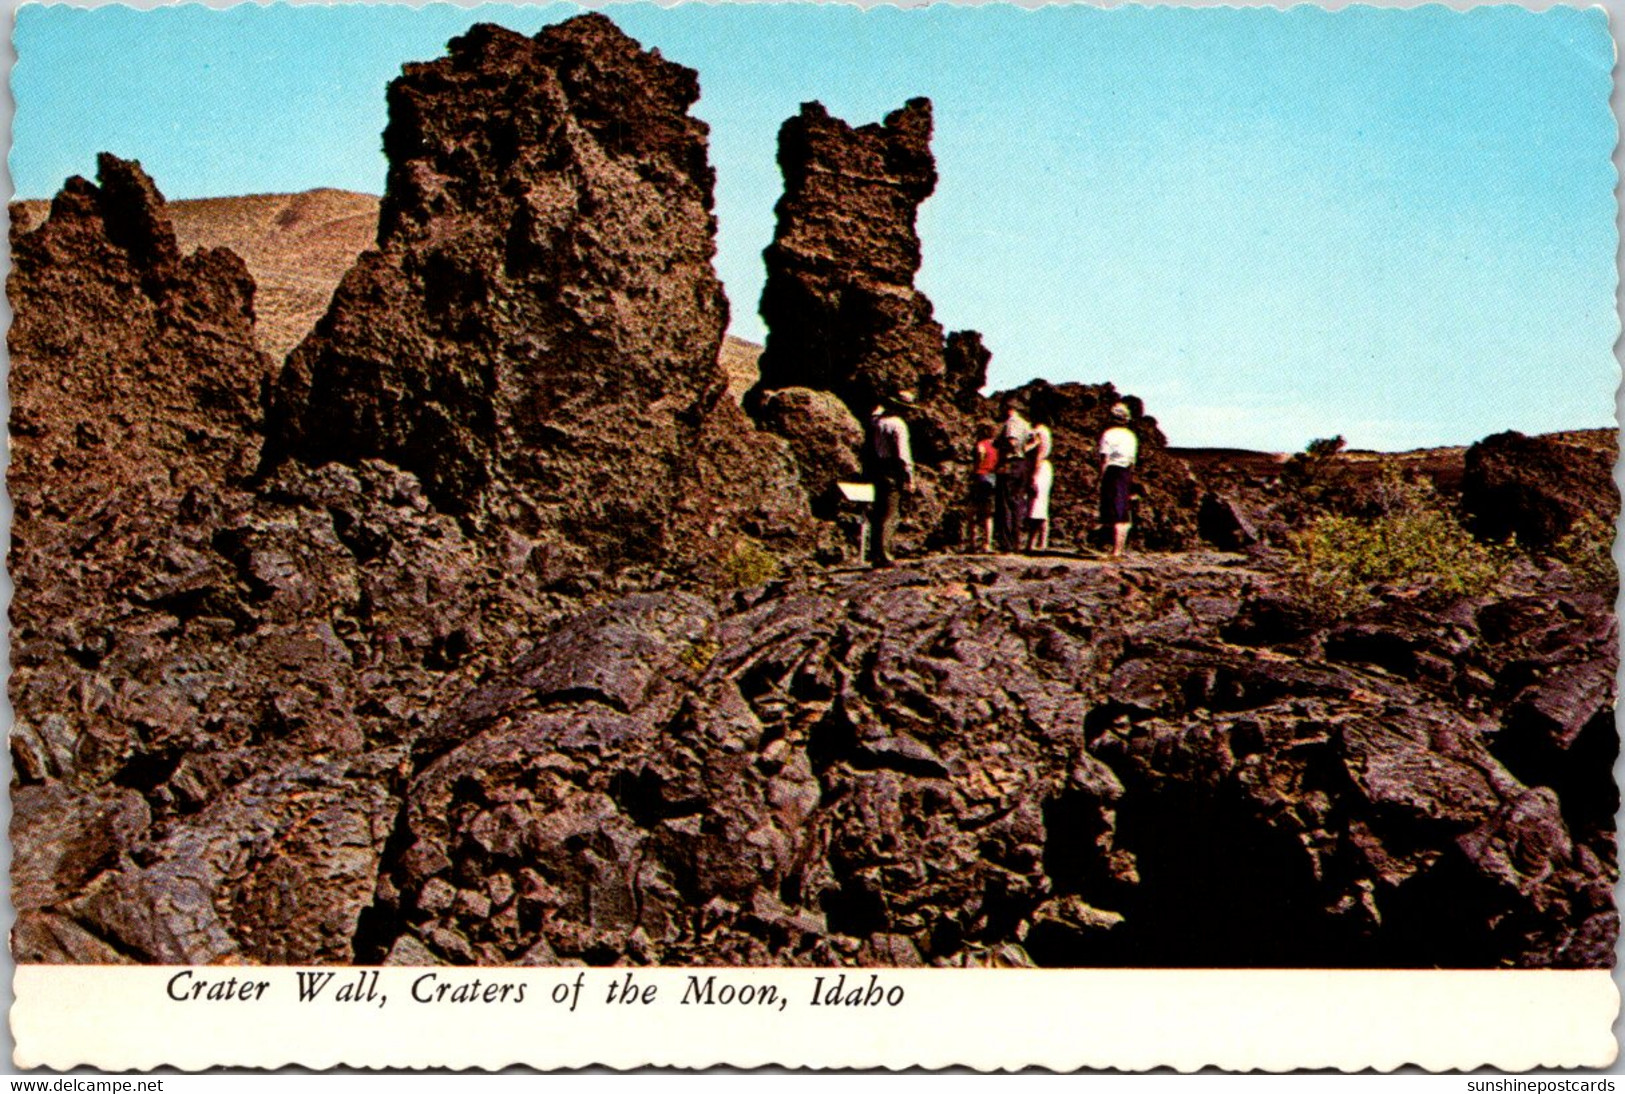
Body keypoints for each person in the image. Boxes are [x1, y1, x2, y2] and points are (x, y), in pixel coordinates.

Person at [863, 392, 915, 568]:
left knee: (878, 512)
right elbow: (903, 454)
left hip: (877, 467)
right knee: (890, 512)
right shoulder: (898, 425)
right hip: (893, 469)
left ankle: (875, 552)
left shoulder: (878, 422)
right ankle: (884, 555)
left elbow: (873, 417)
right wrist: (909, 476)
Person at [1099, 401, 1139, 558]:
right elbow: (1132, 461)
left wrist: (1101, 478)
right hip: (1126, 472)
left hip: (1113, 471)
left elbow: (1105, 458)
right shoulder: (1131, 436)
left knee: (1115, 512)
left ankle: (1115, 551)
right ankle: (1119, 549)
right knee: (1123, 511)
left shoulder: (1108, 434)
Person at [993, 400, 1032, 552]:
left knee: (1005, 504)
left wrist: (1000, 445)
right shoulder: (1026, 424)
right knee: (1017, 503)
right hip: (1022, 464)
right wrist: (1023, 450)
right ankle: (1016, 542)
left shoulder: (1012, 423)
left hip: (1010, 463)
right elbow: (1034, 440)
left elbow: (1012, 441)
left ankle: (1007, 544)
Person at [1024, 412, 1054, 553]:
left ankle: (1040, 543)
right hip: (1042, 467)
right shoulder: (1043, 431)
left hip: (1040, 468)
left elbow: (1039, 454)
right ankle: (1036, 542)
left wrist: (1034, 475)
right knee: (1038, 506)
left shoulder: (1040, 431)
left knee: (1038, 505)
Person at [967, 423, 998, 552]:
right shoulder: (998, 447)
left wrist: (974, 470)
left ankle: (972, 542)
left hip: (981, 476)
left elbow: (979, 458)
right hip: (994, 477)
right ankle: (987, 543)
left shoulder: (981, 444)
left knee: (972, 511)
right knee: (988, 513)